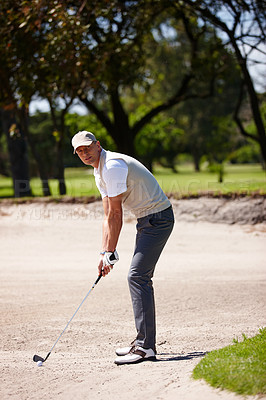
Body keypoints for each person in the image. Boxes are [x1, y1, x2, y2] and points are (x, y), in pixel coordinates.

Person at [72, 130, 174, 365]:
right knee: (138, 276)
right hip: (147, 220)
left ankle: (145, 347)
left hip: (158, 219)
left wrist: (111, 251)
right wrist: (104, 253)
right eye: (79, 151)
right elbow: (107, 214)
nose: (84, 153)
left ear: (98, 145)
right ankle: (142, 342)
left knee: (138, 277)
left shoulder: (113, 166)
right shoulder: (99, 170)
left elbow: (117, 213)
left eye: (87, 147)